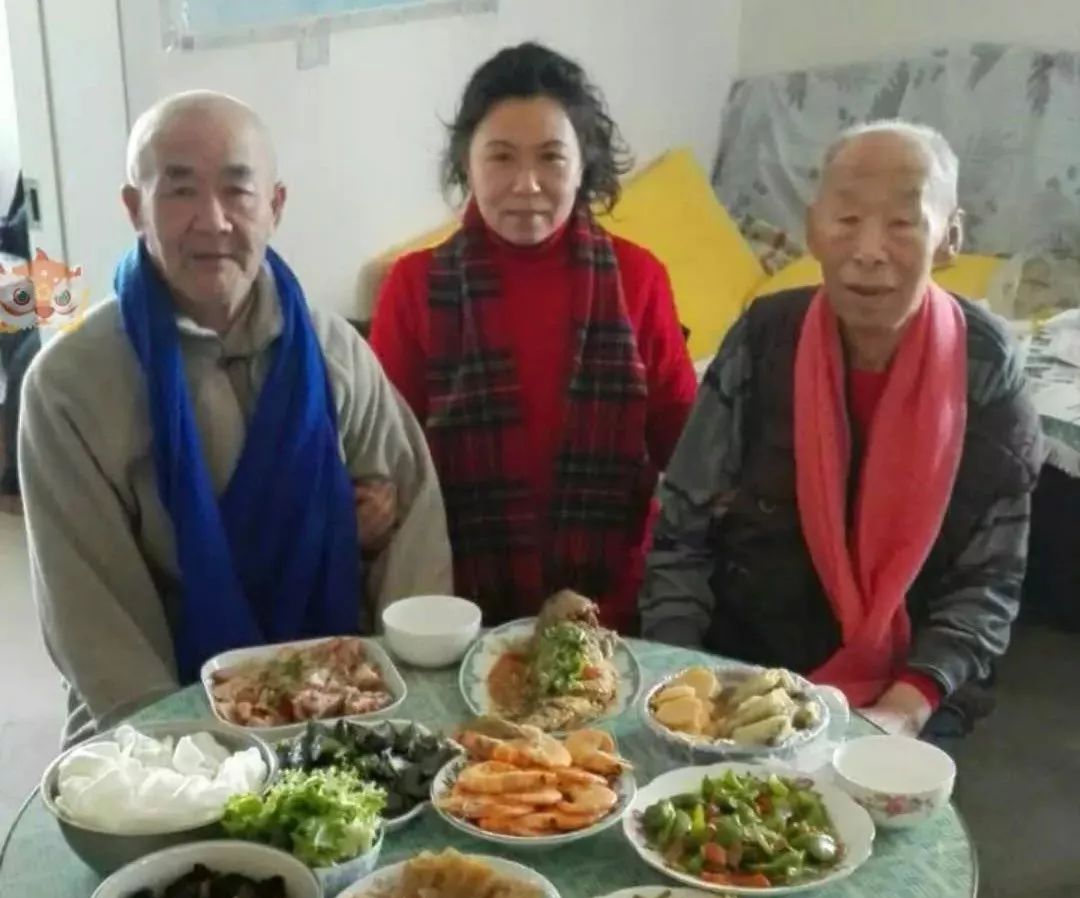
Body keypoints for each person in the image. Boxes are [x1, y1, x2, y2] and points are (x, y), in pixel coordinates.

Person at [19, 91, 452, 746]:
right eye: (180, 190)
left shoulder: (333, 353)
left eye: (237, 190)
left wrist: (405, 691)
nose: (213, 220)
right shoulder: (69, 387)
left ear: (275, 206)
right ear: (134, 208)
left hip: (342, 699)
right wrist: (194, 751)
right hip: (154, 720)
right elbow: (94, 618)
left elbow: (411, 531)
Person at [641, 120, 1043, 739]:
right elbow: (681, 528)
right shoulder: (762, 339)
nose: (869, 250)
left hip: (909, 686)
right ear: (812, 230)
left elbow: (989, 580)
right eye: (847, 219)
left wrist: (902, 711)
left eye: (903, 222)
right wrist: (683, 676)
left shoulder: (986, 367)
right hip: (740, 669)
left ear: (950, 239)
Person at [370, 42, 697, 632]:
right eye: (501, 157)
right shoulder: (414, 287)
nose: (526, 184)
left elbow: (688, 447)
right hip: (456, 615)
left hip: (614, 615)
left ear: (584, 163)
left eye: (551, 158)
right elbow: (390, 463)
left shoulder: (638, 278)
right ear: (467, 162)